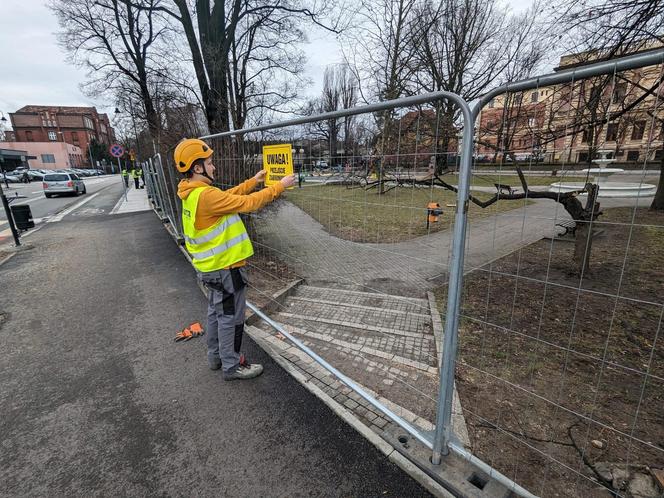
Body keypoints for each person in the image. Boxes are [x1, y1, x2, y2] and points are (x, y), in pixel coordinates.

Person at [174, 138, 295, 381]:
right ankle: (232, 366)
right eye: (210, 163)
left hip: (210, 269)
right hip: (225, 269)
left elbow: (229, 196)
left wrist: (254, 181)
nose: (214, 167)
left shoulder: (193, 193)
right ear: (197, 168)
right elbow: (247, 204)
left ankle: (216, 357)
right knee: (231, 318)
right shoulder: (206, 196)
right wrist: (279, 187)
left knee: (216, 314)